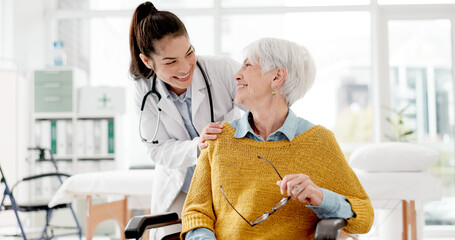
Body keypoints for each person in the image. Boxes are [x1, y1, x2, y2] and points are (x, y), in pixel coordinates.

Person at [181, 38, 374, 239]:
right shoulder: (218, 139)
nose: (237, 75)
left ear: (277, 76)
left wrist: (321, 197)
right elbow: (196, 211)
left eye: (247, 65)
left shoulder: (319, 141)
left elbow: (365, 216)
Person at [129, 2, 241, 238]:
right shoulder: (144, 89)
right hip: (179, 186)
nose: (185, 68)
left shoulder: (221, 69)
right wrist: (197, 146)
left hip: (228, 181)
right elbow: (157, 150)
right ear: (148, 62)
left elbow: (261, 108)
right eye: (171, 62)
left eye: (189, 53)